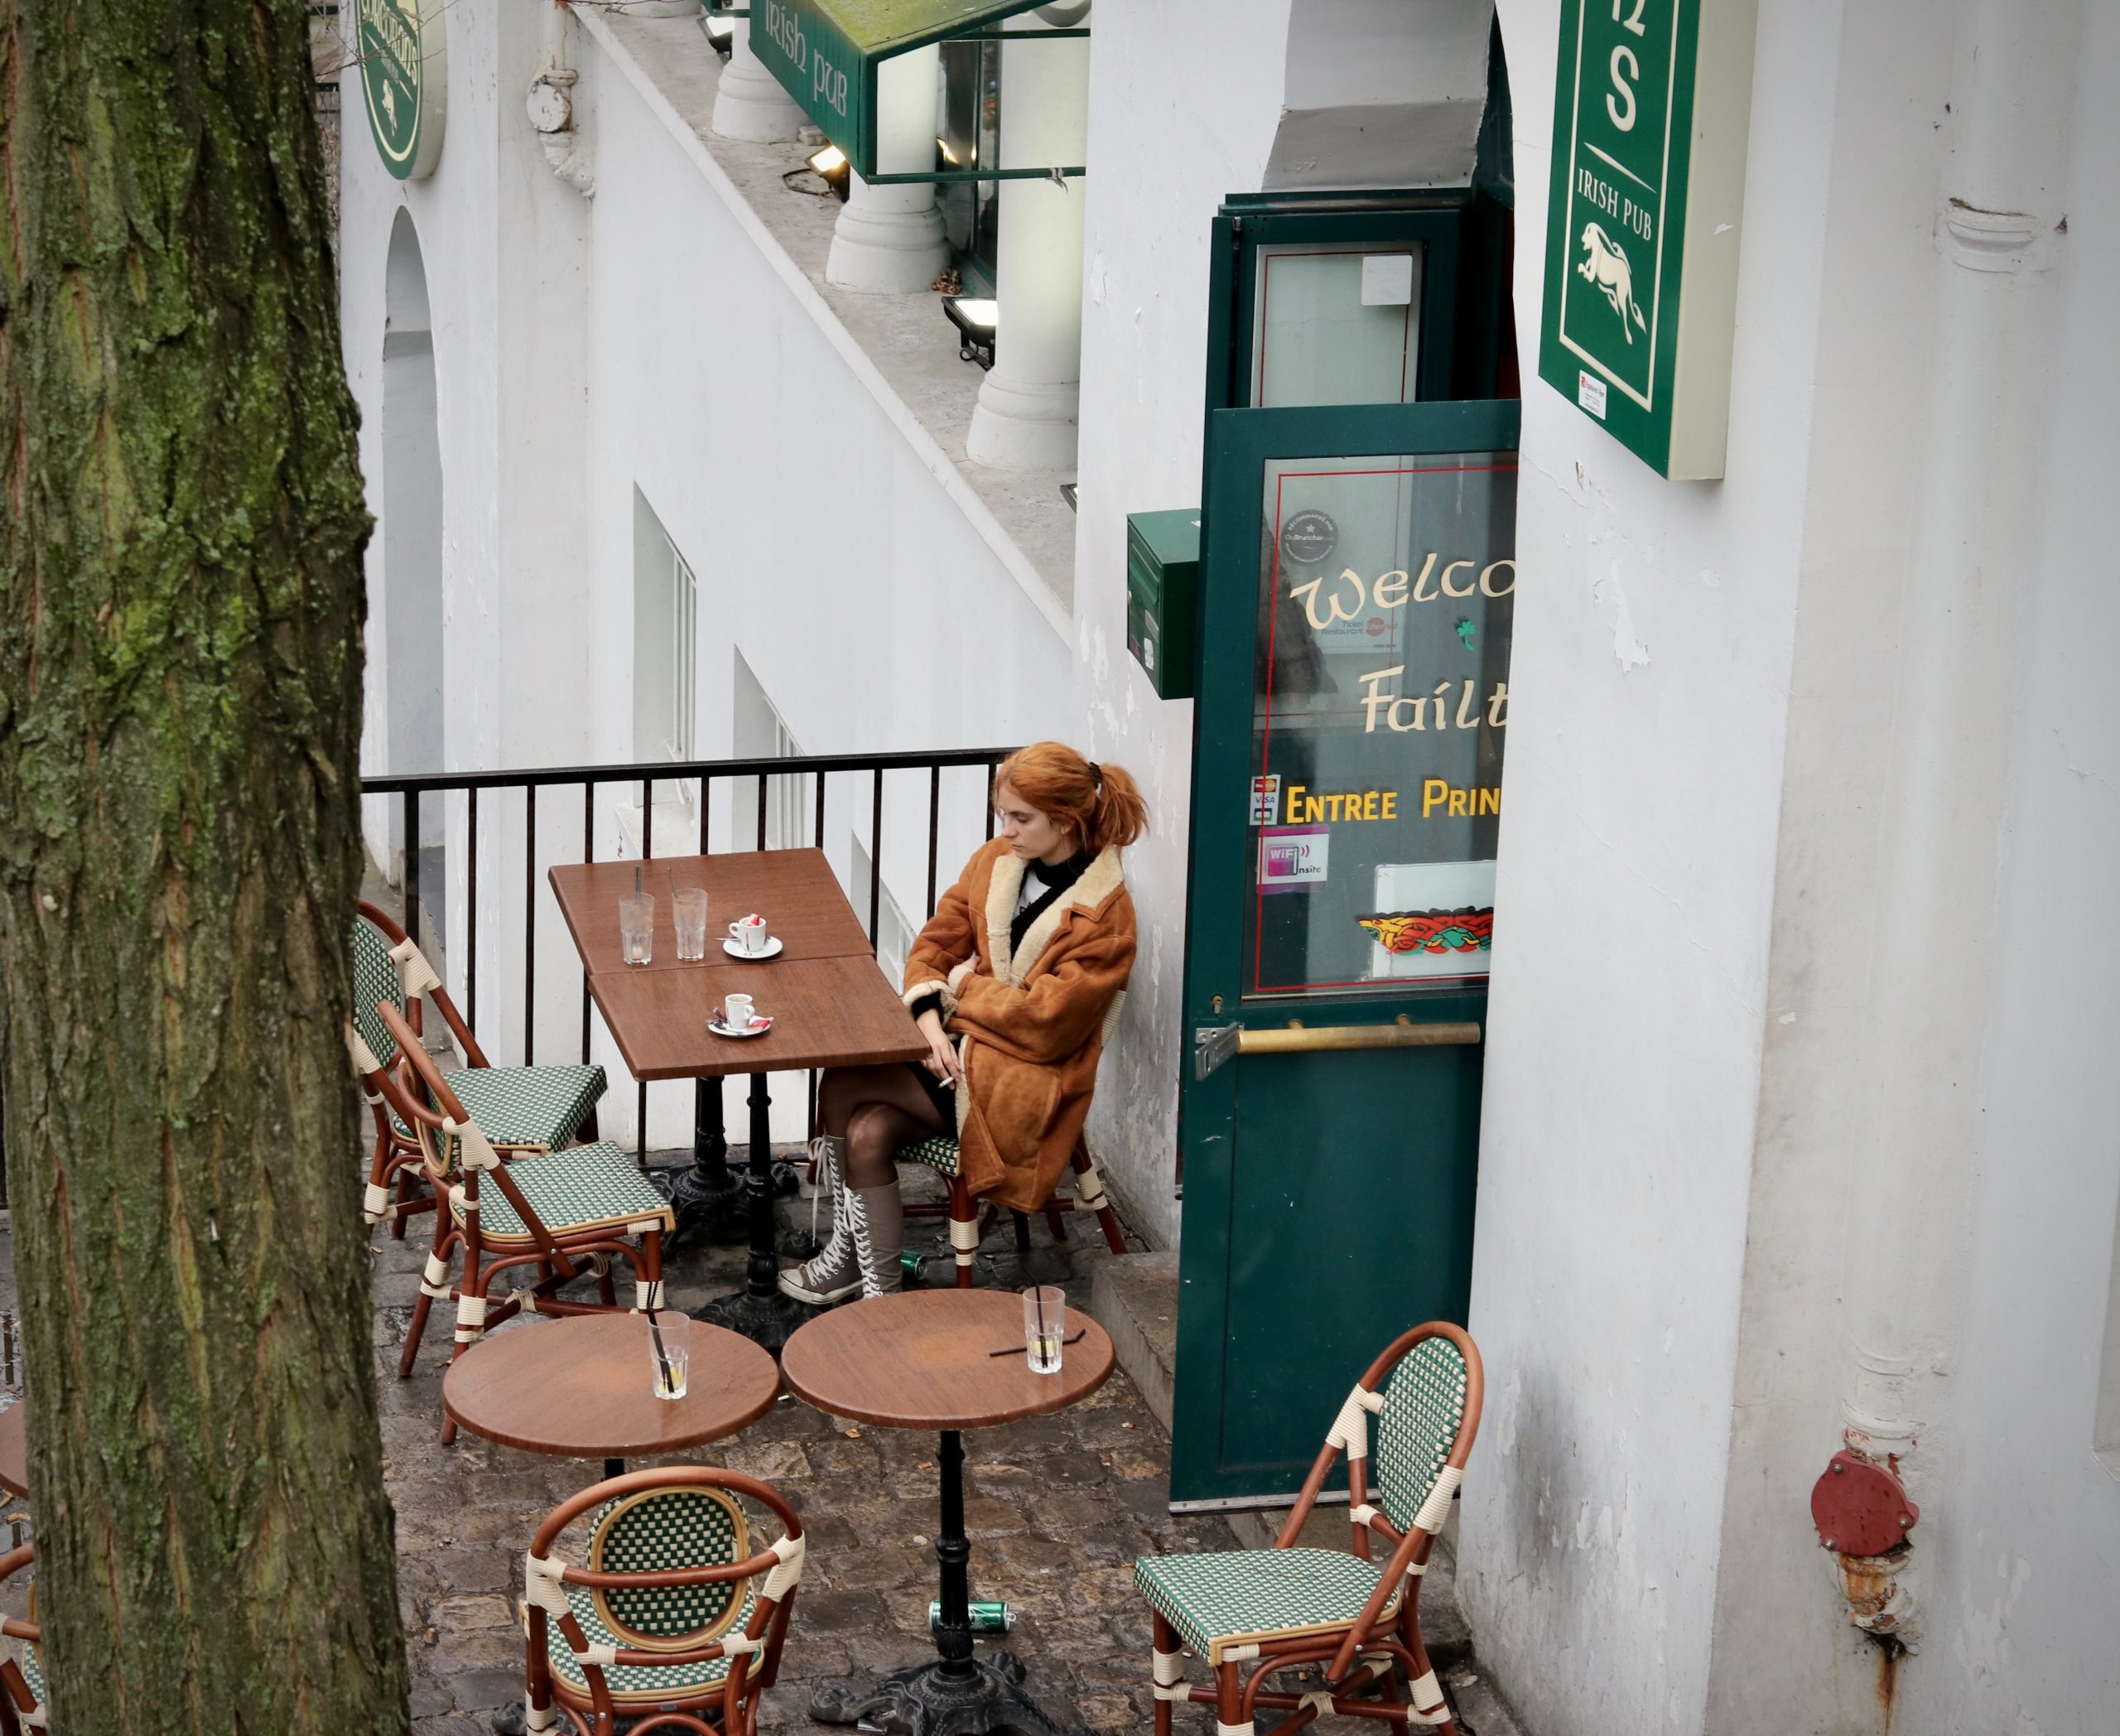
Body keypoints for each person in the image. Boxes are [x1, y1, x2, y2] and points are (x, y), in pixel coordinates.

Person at [779, 742, 1147, 1304]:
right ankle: (878, 1292)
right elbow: (931, 947)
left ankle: (852, 1262)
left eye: (1021, 818)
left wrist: (959, 985)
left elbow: (1042, 1024)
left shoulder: (1105, 917)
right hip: (958, 1051)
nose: (1007, 830)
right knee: (867, 1131)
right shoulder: (995, 861)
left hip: (1022, 1084)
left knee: (844, 1082)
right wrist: (930, 1022)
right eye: (1003, 814)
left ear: (1066, 820)